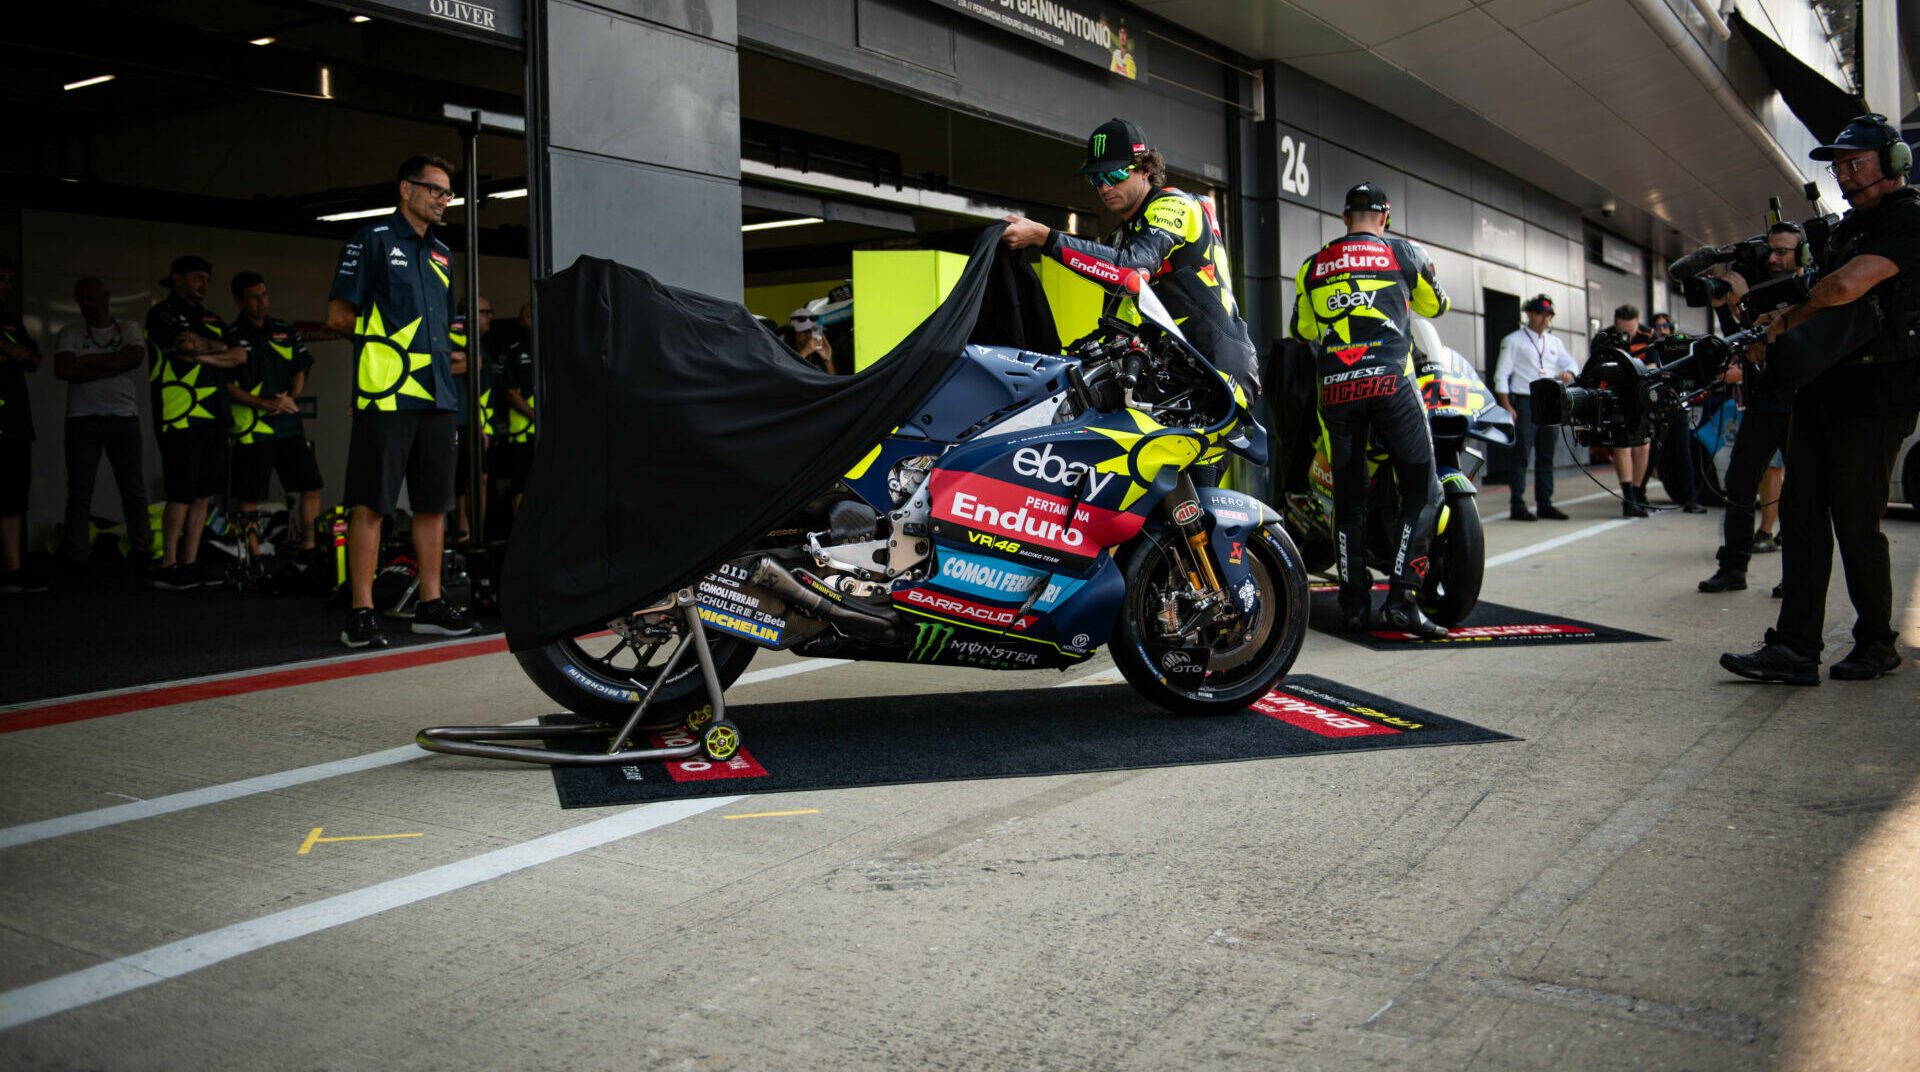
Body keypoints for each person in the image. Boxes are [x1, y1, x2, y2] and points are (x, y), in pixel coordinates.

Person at [1721, 114, 1920, 684]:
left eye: (1855, 163)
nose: (1843, 174)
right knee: (1804, 519)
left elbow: (1846, 287)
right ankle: (1795, 647)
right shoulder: (1847, 228)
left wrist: (1788, 319)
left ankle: (1877, 643)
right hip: (1825, 386)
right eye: (1839, 165)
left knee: (1857, 521)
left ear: (1895, 163)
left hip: (1877, 393)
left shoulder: (1908, 218)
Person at [1000, 117, 1260, 413]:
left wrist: (1044, 237)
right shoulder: (1121, 237)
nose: (1104, 187)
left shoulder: (1174, 204)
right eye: (1096, 179)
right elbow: (1120, 327)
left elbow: (1130, 273)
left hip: (1217, 365)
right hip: (1172, 373)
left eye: (1115, 175)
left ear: (1145, 169)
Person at [325, 153, 478, 648]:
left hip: (438, 395)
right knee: (372, 502)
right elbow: (338, 316)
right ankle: (362, 611)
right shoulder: (370, 240)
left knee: (434, 502)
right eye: (434, 189)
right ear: (405, 189)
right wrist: (393, 353)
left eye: (447, 192)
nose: (442, 199)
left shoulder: (442, 255)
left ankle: (431, 604)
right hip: (387, 396)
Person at [1292, 182, 1452, 638]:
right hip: (1391, 384)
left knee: (1349, 500)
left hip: (1337, 390)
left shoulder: (1313, 265)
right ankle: (1402, 600)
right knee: (1425, 492)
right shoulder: (1404, 253)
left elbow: (1302, 327)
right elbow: (1436, 306)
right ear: (1384, 217)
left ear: (1345, 218)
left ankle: (1355, 607)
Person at [1698, 223, 1806, 593]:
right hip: (1762, 405)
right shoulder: (1761, 289)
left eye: (1783, 252)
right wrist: (1724, 309)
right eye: (1771, 251)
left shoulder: (1808, 290)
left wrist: (1743, 301)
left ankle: (1796, 578)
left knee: (1800, 494)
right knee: (1739, 484)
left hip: (1798, 405)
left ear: (1801, 254)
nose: (1774, 259)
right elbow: (1744, 340)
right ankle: (1732, 569)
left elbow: (1779, 338)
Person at [145, 254, 247, 590]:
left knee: (204, 493)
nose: (202, 284)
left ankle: (190, 562)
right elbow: (184, 343)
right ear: (176, 278)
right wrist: (212, 351)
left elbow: (239, 355)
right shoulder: (162, 314)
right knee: (180, 492)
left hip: (215, 414)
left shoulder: (213, 317)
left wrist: (202, 354)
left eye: (205, 278)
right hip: (179, 415)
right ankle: (169, 563)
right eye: (195, 278)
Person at [224, 272, 323, 563]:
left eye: (264, 294)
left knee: (311, 485)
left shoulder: (284, 329)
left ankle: (309, 547)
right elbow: (227, 385)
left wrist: (289, 397)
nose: (261, 302)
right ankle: (252, 555)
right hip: (251, 428)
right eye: (254, 296)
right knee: (249, 495)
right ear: (239, 300)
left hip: (288, 424)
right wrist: (263, 403)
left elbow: (301, 366)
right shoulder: (229, 335)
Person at [54, 277, 150, 575]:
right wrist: (114, 362)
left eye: (90, 298)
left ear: (105, 298)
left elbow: (133, 358)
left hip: (123, 417)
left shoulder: (129, 329)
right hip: (82, 420)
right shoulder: (69, 332)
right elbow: (64, 369)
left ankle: (142, 550)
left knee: (132, 487)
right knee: (80, 490)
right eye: (80, 299)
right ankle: (76, 556)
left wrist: (86, 364)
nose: (85, 304)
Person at [1491, 294, 1578, 521]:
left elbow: (1571, 364)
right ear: (1528, 313)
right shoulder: (1513, 340)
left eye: (1548, 314)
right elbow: (1502, 374)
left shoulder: (1554, 342)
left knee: (1546, 454)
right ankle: (1517, 503)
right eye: (1540, 313)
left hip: (1549, 401)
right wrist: (1506, 404)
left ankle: (1545, 502)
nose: (1544, 318)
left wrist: (1568, 375)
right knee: (1521, 454)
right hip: (1524, 398)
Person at [0, 257, 45, 593]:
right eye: (2, 278)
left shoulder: (11, 321)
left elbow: (34, 358)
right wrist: (11, 352)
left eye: (9, 279)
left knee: (14, 495)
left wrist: (12, 351)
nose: (7, 286)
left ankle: (13, 568)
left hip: (14, 421)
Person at [1589, 306, 1655, 516]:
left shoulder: (1649, 335)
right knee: (1622, 443)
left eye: (1631, 329)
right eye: (1623, 330)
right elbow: (1597, 368)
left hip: (1640, 395)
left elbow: (1653, 366)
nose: (1627, 334)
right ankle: (1628, 497)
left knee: (1643, 444)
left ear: (1637, 323)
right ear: (1616, 324)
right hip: (1615, 395)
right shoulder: (1604, 337)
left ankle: (1638, 491)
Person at [1647, 311, 1707, 515]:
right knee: (1653, 452)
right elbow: (1649, 372)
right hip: (1657, 409)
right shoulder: (1652, 349)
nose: (1662, 330)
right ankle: (1637, 494)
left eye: (1665, 326)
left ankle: (1691, 498)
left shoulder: (1683, 349)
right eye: (1658, 327)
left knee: (1684, 454)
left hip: (1679, 407)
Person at [449, 297, 493, 542]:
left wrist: (481, 427)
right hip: (448, 421)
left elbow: (475, 364)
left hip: (470, 422)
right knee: (455, 479)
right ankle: (462, 536)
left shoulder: (477, 343)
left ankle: (477, 537)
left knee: (479, 477)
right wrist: (458, 361)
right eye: (484, 312)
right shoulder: (447, 329)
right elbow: (434, 364)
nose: (490, 317)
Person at [492, 303, 538, 519]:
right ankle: (521, 540)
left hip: (554, 433)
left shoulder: (554, 346)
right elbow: (508, 392)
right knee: (522, 485)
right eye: (529, 316)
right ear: (521, 321)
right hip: (522, 433)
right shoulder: (514, 350)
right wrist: (536, 416)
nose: (534, 319)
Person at [787, 307, 835, 374]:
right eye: (803, 331)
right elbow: (785, 374)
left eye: (812, 331)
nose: (808, 335)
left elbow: (833, 382)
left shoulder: (817, 354)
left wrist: (827, 361)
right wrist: (805, 352)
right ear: (792, 333)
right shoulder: (783, 351)